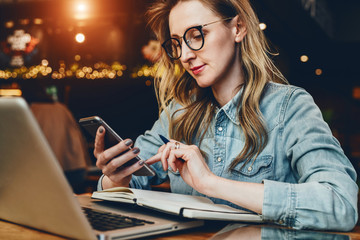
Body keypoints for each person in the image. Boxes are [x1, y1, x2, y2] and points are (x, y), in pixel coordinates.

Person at [94, 0, 358, 231]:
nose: (185, 55)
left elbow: (341, 203)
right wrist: (115, 178)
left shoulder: (289, 107)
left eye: (196, 34)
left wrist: (210, 183)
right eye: (176, 43)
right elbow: (135, 177)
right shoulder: (178, 110)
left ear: (238, 28)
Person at [22, 82, 90, 193]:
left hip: (46, 173)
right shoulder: (61, 108)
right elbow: (79, 139)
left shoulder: (31, 110)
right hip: (74, 169)